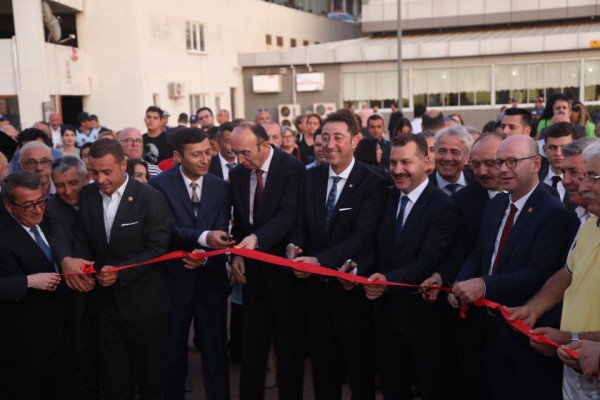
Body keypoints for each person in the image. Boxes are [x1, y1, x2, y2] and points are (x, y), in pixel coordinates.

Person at [452, 135, 572, 399]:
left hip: (525, 334)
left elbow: (538, 274)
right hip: (489, 331)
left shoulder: (552, 212)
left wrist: (483, 285)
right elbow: (479, 253)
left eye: (512, 162)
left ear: (536, 163)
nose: (503, 169)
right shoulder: (496, 204)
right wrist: (461, 282)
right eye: (500, 162)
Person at [289, 109, 385, 400]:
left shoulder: (372, 182)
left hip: (351, 291)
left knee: (358, 369)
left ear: (355, 141)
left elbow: (362, 237)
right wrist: (294, 246)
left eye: (338, 137)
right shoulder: (310, 177)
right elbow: (301, 224)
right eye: (325, 137)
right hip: (315, 292)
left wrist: (319, 262)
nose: (329, 144)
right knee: (322, 368)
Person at [72, 138, 172, 400]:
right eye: (94, 172)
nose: (100, 179)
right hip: (104, 307)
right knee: (114, 381)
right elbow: (83, 238)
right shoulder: (88, 195)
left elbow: (158, 248)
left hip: (145, 307)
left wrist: (120, 271)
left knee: (150, 381)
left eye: (107, 172)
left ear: (123, 165)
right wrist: (82, 265)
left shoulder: (150, 198)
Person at [362, 134, 459, 399]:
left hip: (424, 322)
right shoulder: (385, 197)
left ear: (426, 162)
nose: (397, 170)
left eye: (406, 162)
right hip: (385, 320)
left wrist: (386, 282)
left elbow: (427, 262)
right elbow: (372, 246)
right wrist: (355, 267)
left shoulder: (443, 207)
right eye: (393, 163)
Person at [508, 139, 600, 399]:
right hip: (575, 366)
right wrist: (533, 308)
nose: (583, 186)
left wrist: (569, 338)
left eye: (592, 177)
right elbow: (568, 274)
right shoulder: (589, 225)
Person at [149, 128, 232, 400]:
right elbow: (166, 229)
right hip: (175, 283)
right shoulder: (159, 186)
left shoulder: (221, 186)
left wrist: (204, 255)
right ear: (178, 156)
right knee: (173, 354)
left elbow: (222, 226)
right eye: (196, 154)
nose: (205, 159)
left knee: (216, 354)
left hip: (211, 282)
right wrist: (202, 240)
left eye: (208, 152)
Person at [228, 122, 305, 400]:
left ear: (264, 145)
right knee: (252, 351)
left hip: (284, 271)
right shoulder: (237, 174)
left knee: (288, 351)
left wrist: (255, 240)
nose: (240, 160)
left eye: (245, 153)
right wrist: (237, 253)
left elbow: (288, 216)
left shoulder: (291, 168)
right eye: (235, 153)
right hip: (251, 274)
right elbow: (239, 221)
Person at [0, 171, 74, 400]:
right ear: (9, 206)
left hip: (62, 334)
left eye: (40, 201)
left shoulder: (50, 221)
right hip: (24, 343)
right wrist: (29, 281)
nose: (37, 210)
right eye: (28, 205)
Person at [444, 133, 504, 400]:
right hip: (472, 313)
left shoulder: (540, 201)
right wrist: (455, 282)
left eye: (490, 163)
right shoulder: (463, 200)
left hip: (517, 312)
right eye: (476, 165)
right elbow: (461, 252)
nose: (482, 172)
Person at [46, 156, 101, 399]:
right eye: (60, 185)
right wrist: (67, 261)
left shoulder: (101, 195)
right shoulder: (52, 206)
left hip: (111, 285)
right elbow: (59, 238)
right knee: (82, 353)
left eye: (73, 183)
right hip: (76, 291)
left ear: (87, 177)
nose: (67, 191)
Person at [429, 125, 475, 195]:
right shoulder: (422, 187)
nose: (448, 158)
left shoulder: (479, 183)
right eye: (442, 151)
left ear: (466, 158)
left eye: (455, 152)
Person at [539, 122, 575, 205]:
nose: (558, 153)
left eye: (564, 147)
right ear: (544, 150)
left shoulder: (582, 181)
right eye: (552, 147)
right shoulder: (533, 179)